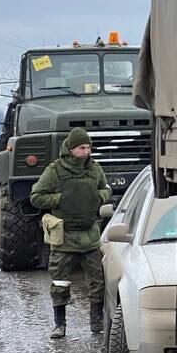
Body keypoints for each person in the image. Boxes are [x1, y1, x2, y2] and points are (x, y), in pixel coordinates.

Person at [30, 127, 113, 339]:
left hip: (90, 237)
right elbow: (36, 196)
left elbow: (106, 189)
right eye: (82, 148)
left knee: (97, 282)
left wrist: (96, 198)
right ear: (71, 149)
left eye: (88, 148)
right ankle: (60, 324)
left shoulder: (94, 169)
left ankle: (97, 323)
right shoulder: (55, 171)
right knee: (59, 282)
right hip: (64, 237)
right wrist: (60, 199)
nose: (86, 152)